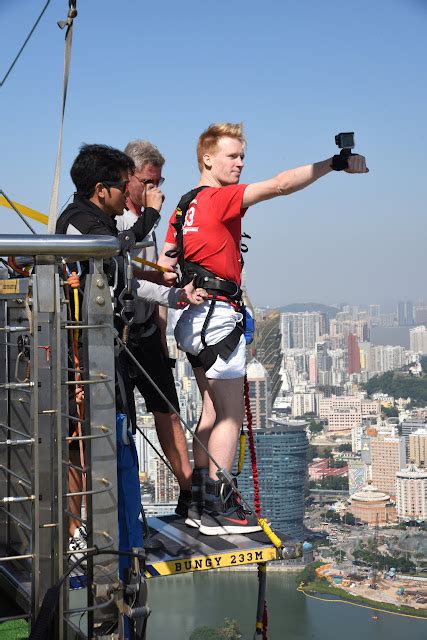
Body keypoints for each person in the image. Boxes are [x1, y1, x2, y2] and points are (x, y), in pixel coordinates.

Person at [159, 122, 368, 536]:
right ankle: (217, 504)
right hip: (218, 317)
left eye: (242, 156)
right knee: (231, 414)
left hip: (193, 320)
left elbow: (166, 267)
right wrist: (334, 163)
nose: (240, 163)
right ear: (207, 158)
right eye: (232, 156)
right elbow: (280, 185)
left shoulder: (184, 207)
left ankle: (199, 502)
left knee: (210, 410)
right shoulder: (219, 198)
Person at [55, 143, 206, 568]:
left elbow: (127, 279)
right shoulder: (83, 223)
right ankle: (75, 533)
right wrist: (152, 216)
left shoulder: (100, 221)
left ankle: (174, 500)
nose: (129, 193)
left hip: (121, 339)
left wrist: (175, 295)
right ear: (103, 189)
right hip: (87, 350)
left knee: (128, 427)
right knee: (85, 442)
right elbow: (114, 251)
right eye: (127, 186)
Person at [116, 140, 193, 515]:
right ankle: (124, 506)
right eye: (149, 181)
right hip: (118, 333)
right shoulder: (118, 220)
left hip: (146, 330)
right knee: (120, 420)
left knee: (167, 411)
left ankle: (188, 489)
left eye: (159, 181)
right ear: (128, 177)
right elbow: (126, 275)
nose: (156, 189)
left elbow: (146, 273)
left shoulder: (144, 218)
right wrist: (172, 293)